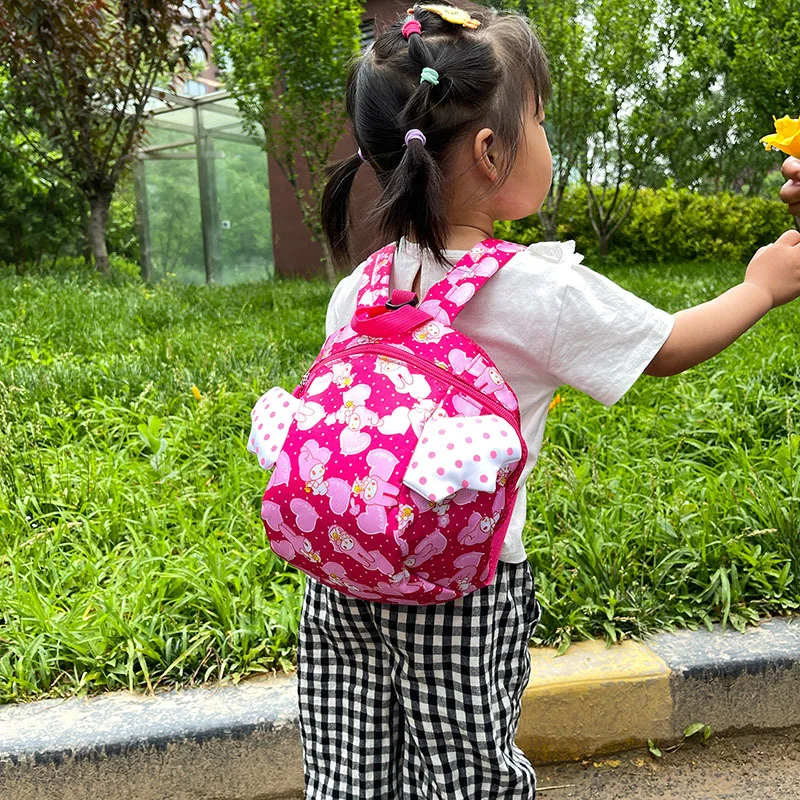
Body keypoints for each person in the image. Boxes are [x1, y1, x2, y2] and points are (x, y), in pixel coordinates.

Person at [296, 3, 800, 798]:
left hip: (343, 572)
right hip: (465, 587)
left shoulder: (362, 287)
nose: (547, 143)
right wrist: (761, 287)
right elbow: (666, 346)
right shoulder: (534, 288)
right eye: (539, 121)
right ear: (492, 151)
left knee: (350, 769)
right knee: (468, 774)